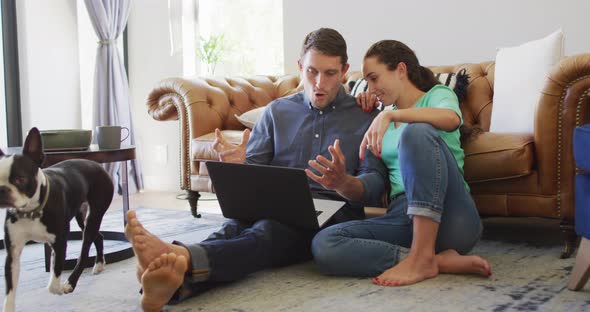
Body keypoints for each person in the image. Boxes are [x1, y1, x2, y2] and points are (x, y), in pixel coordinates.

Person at [125, 28, 388, 312]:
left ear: (345, 71)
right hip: (275, 204)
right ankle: (173, 283)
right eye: (311, 72)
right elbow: (255, 173)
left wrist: (343, 182)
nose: (319, 83)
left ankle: (178, 257)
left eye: (330, 73)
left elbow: (375, 184)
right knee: (233, 226)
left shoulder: (368, 118)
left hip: (332, 214)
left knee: (265, 232)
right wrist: (242, 164)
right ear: (300, 66)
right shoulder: (277, 111)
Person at [311, 40, 491, 287]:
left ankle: (421, 255)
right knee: (325, 243)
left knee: (414, 133)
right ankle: (430, 260)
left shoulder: (436, 96)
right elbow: (373, 182)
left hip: (451, 216)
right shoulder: (379, 122)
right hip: (402, 214)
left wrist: (391, 114)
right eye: (367, 82)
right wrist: (342, 182)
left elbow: (450, 118)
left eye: (374, 78)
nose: (371, 88)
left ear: (401, 70)